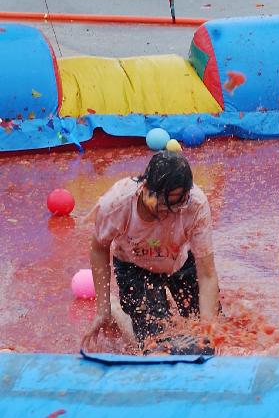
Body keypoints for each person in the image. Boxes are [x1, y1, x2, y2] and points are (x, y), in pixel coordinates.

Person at [81, 151, 221, 354]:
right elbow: (99, 247)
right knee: (154, 344)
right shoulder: (117, 203)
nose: (173, 211)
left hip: (179, 260)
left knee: (210, 331)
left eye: (180, 202)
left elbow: (207, 273)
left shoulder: (195, 205)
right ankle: (118, 312)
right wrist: (102, 310)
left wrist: (207, 329)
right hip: (134, 266)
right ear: (146, 190)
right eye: (166, 204)